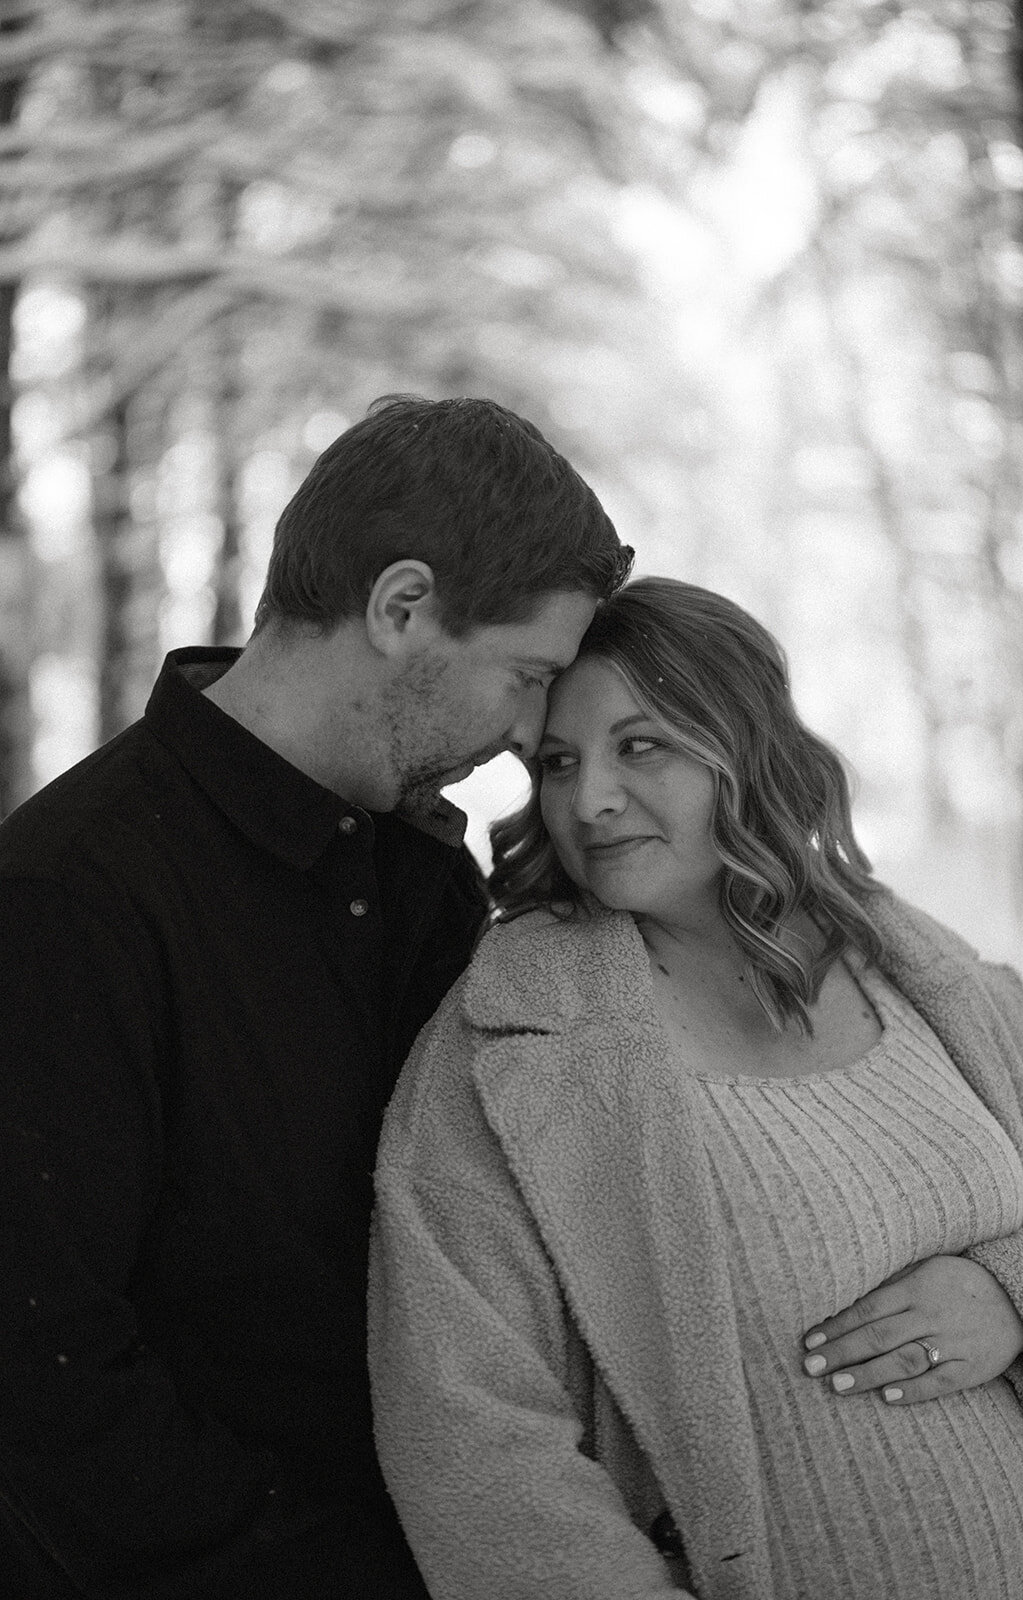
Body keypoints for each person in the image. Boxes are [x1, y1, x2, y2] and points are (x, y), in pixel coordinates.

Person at [0, 393, 632, 1599]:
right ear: (400, 606)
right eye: (522, 674)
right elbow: (42, 1368)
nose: (522, 733)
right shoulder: (66, 896)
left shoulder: (419, 876)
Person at [370, 574, 1023, 1600]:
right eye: (556, 762)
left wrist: (1018, 1293)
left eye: (639, 744)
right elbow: (472, 1440)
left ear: (744, 746)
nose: (590, 800)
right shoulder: (508, 1051)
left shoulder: (932, 979)